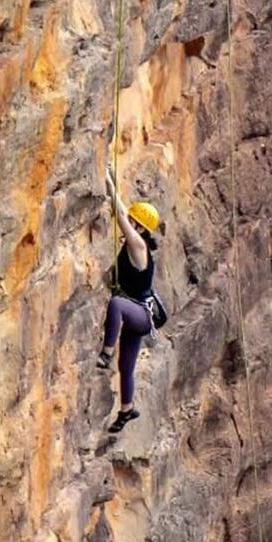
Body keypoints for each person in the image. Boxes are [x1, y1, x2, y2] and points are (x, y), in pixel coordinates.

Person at [97, 168, 161, 433]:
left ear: (140, 227)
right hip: (137, 315)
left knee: (116, 305)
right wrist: (110, 179)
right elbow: (121, 208)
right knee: (127, 367)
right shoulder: (136, 239)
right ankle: (126, 409)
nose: (129, 223)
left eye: (134, 222)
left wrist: (110, 181)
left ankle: (106, 353)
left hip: (139, 315)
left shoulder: (138, 245)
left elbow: (121, 215)